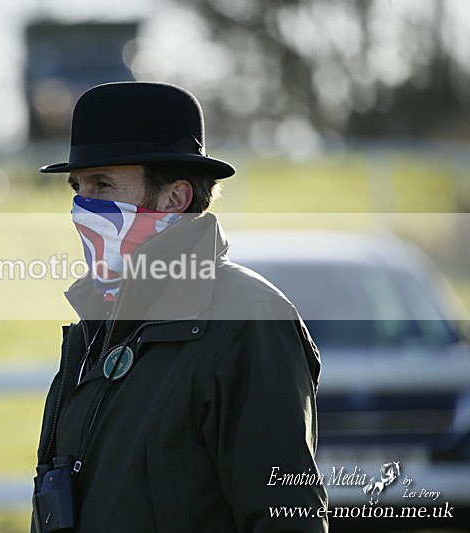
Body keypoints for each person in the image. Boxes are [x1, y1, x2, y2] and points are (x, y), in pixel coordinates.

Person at [31, 82, 327, 532]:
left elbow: (286, 518)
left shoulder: (247, 317)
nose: (81, 206)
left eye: (103, 184)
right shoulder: (100, 319)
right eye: (78, 187)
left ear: (175, 198)